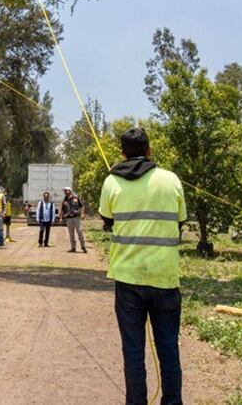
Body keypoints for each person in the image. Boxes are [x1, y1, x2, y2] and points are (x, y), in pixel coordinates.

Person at [99, 127, 186, 405]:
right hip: (164, 278)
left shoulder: (111, 182)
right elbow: (180, 221)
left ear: (122, 153)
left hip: (128, 281)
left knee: (133, 351)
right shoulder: (171, 180)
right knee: (168, 349)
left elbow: (107, 219)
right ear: (150, 151)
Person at [60, 186, 87, 253]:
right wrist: (60, 218)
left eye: (66, 190)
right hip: (69, 218)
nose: (65, 192)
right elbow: (62, 209)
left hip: (76, 217)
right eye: (64, 191)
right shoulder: (65, 200)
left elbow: (82, 206)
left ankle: (83, 246)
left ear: (70, 191)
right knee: (71, 233)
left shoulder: (76, 197)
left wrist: (83, 214)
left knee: (79, 231)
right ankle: (73, 248)